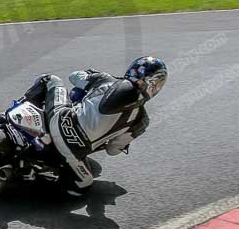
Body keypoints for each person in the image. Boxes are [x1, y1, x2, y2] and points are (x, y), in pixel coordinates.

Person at [23, 57, 168, 191]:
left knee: (50, 79)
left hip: (59, 121)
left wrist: (89, 76)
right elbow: (113, 150)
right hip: (73, 151)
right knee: (82, 186)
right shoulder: (141, 120)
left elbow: (73, 76)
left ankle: (20, 110)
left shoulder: (106, 79)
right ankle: (35, 172)